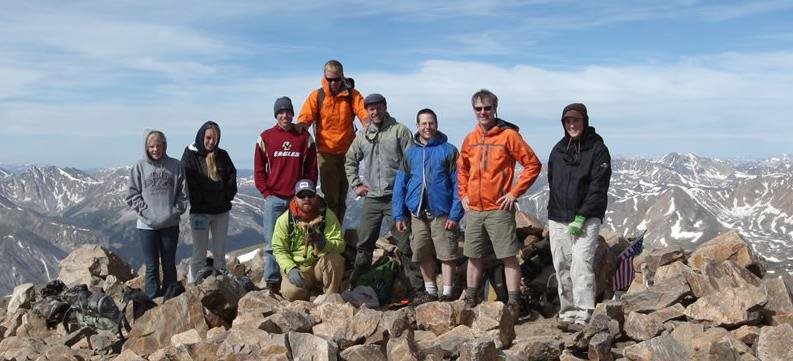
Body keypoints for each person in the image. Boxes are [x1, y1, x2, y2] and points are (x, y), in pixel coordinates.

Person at [458, 89, 542, 313]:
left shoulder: (508, 136)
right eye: (478, 108)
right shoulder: (470, 138)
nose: (483, 112)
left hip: (498, 208)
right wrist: (463, 194)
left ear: (495, 108)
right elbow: (462, 169)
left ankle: (514, 302)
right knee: (473, 256)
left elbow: (533, 164)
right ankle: (471, 299)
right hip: (475, 209)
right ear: (473, 110)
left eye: (487, 108)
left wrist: (514, 193)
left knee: (508, 257)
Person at [345, 93, 425, 298]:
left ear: (385, 107)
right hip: (371, 198)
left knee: (405, 243)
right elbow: (350, 161)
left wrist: (407, 190)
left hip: (395, 199)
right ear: (367, 111)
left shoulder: (399, 131)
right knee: (364, 244)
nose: (375, 111)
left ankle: (417, 288)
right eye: (371, 108)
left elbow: (413, 162)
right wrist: (356, 185)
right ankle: (356, 287)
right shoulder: (362, 136)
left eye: (378, 107)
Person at [547, 103, 611, 330]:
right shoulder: (558, 149)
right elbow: (552, 181)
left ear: (584, 121)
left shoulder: (597, 149)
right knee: (562, 265)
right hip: (557, 218)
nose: (572, 125)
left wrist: (581, 217)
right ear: (564, 124)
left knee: (581, 265)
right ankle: (567, 311)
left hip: (585, 219)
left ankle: (584, 312)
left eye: (576, 121)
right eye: (568, 121)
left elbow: (598, 187)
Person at [393, 108, 464, 303]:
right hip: (417, 213)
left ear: (437, 124)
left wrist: (455, 214)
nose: (427, 127)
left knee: (447, 252)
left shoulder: (449, 150)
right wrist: (398, 214)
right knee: (422, 251)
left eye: (431, 123)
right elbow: (400, 184)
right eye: (423, 123)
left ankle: (448, 292)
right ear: (417, 126)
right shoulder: (410, 152)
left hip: (442, 211)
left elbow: (459, 184)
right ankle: (430, 291)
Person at [255, 97, 318, 292]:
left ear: (292, 114)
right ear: (276, 115)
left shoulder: (304, 138)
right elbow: (259, 170)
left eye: (288, 112)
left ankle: (296, 281)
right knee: (272, 242)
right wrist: (266, 193)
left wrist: (306, 193)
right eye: (281, 112)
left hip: (296, 200)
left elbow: (312, 169)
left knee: (300, 240)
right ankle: (272, 282)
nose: (285, 115)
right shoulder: (266, 137)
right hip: (274, 198)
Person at [296, 60, 368, 223]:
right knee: (331, 197)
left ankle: (337, 234)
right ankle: (330, 233)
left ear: (342, 77)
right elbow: (305, 116)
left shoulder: (352, 95)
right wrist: (300, 127)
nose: (333, 83)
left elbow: (363, 112)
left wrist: (368, 124)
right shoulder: (317, 95)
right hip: (326, 153)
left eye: (336, 79)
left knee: (342, 197)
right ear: (324, 77)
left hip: (348, 153)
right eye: (330, 79)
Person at [125, 130, 188, 299]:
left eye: (158, 146)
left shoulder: (175, 166)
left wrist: (175, 211)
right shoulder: (139, 167)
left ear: (164, 146)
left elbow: (183, 194)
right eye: (151, 146)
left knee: (169, 264)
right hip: (147, 226)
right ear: (146, 148)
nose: (155, 149)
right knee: (151, 266)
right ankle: (152, 301)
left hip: (170, 224)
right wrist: (147, 214)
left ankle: (171, 299)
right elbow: (132, 195)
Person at [181, 121, 237, 282]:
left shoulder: (222, 155)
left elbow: (231, 176)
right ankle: (194, 286)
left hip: (221, 212)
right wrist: (200, 201)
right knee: (199, 253)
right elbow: (189, 181)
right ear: (201, 136)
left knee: (220, 253)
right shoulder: (190, 155)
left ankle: (221, 287)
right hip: (200, 213)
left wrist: (226, 197)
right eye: (208, 137)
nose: (211, 142)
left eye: (215, 138)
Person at [271, 179, 345, 301]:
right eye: (301, 195)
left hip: (319, 265)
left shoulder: (327, 216)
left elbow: (340, 245)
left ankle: (330, 298)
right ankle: (309, 296)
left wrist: (325, 244)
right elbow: (279, 249)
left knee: (335, 259)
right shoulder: (285, 220)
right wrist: (290, 268)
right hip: (298, 267)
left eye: (310, 195)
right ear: (295, 198)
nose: (306, 198)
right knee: (291, 293)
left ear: (315, 196)